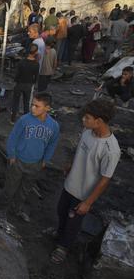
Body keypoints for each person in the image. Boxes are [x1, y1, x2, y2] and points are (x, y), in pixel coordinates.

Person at [51, 100, 120, 264]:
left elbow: (105, 180)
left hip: (82, 194)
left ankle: (63, 247)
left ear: (99, 121)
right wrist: (70, 165)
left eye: (87, 118)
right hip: (70, 184)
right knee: (61, 211)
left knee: (73, 222)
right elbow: (79, 150)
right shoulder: (87, 131)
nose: (83, 120)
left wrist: (88, 202)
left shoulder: (111, 150)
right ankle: (59, 233)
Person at [0, 92, 59, 222]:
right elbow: (13, 138)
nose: (33, 108)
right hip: (18, 161)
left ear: (47, 108)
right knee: (10, 188)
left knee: (25, 190)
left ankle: (17, 209)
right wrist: (12, 155)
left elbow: (52, 144)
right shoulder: (25, 120)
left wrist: (45, 160)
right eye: (32, 105)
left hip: (36, 163)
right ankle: (1, 211)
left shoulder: (54, 126)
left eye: (37, 106)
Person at [10, 44, 39, 123]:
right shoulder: (36, 64)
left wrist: (15, 82)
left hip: (19, 84)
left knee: (15, 102)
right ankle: (26, 120)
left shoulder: (21, 62)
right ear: (36, 52)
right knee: (26, 103)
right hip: (28, 85)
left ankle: (13, 120)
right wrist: (33, 83)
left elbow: (17, 74)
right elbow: (36, 77)